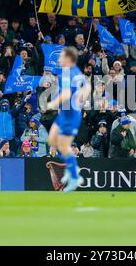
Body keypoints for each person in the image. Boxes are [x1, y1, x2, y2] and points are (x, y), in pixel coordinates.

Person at [46, 46, 91, 192]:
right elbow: (88, 86)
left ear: (68, 59)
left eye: (61, 56)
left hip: (71, 115)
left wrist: (53, 103)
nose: (59, 59)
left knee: (64, 146)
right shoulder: (76, 72)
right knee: (52, 140)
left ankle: (74, 176)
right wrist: (83, 95)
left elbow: (65, 94)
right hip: (64, 114)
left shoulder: (68, 72)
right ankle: (73, 168)